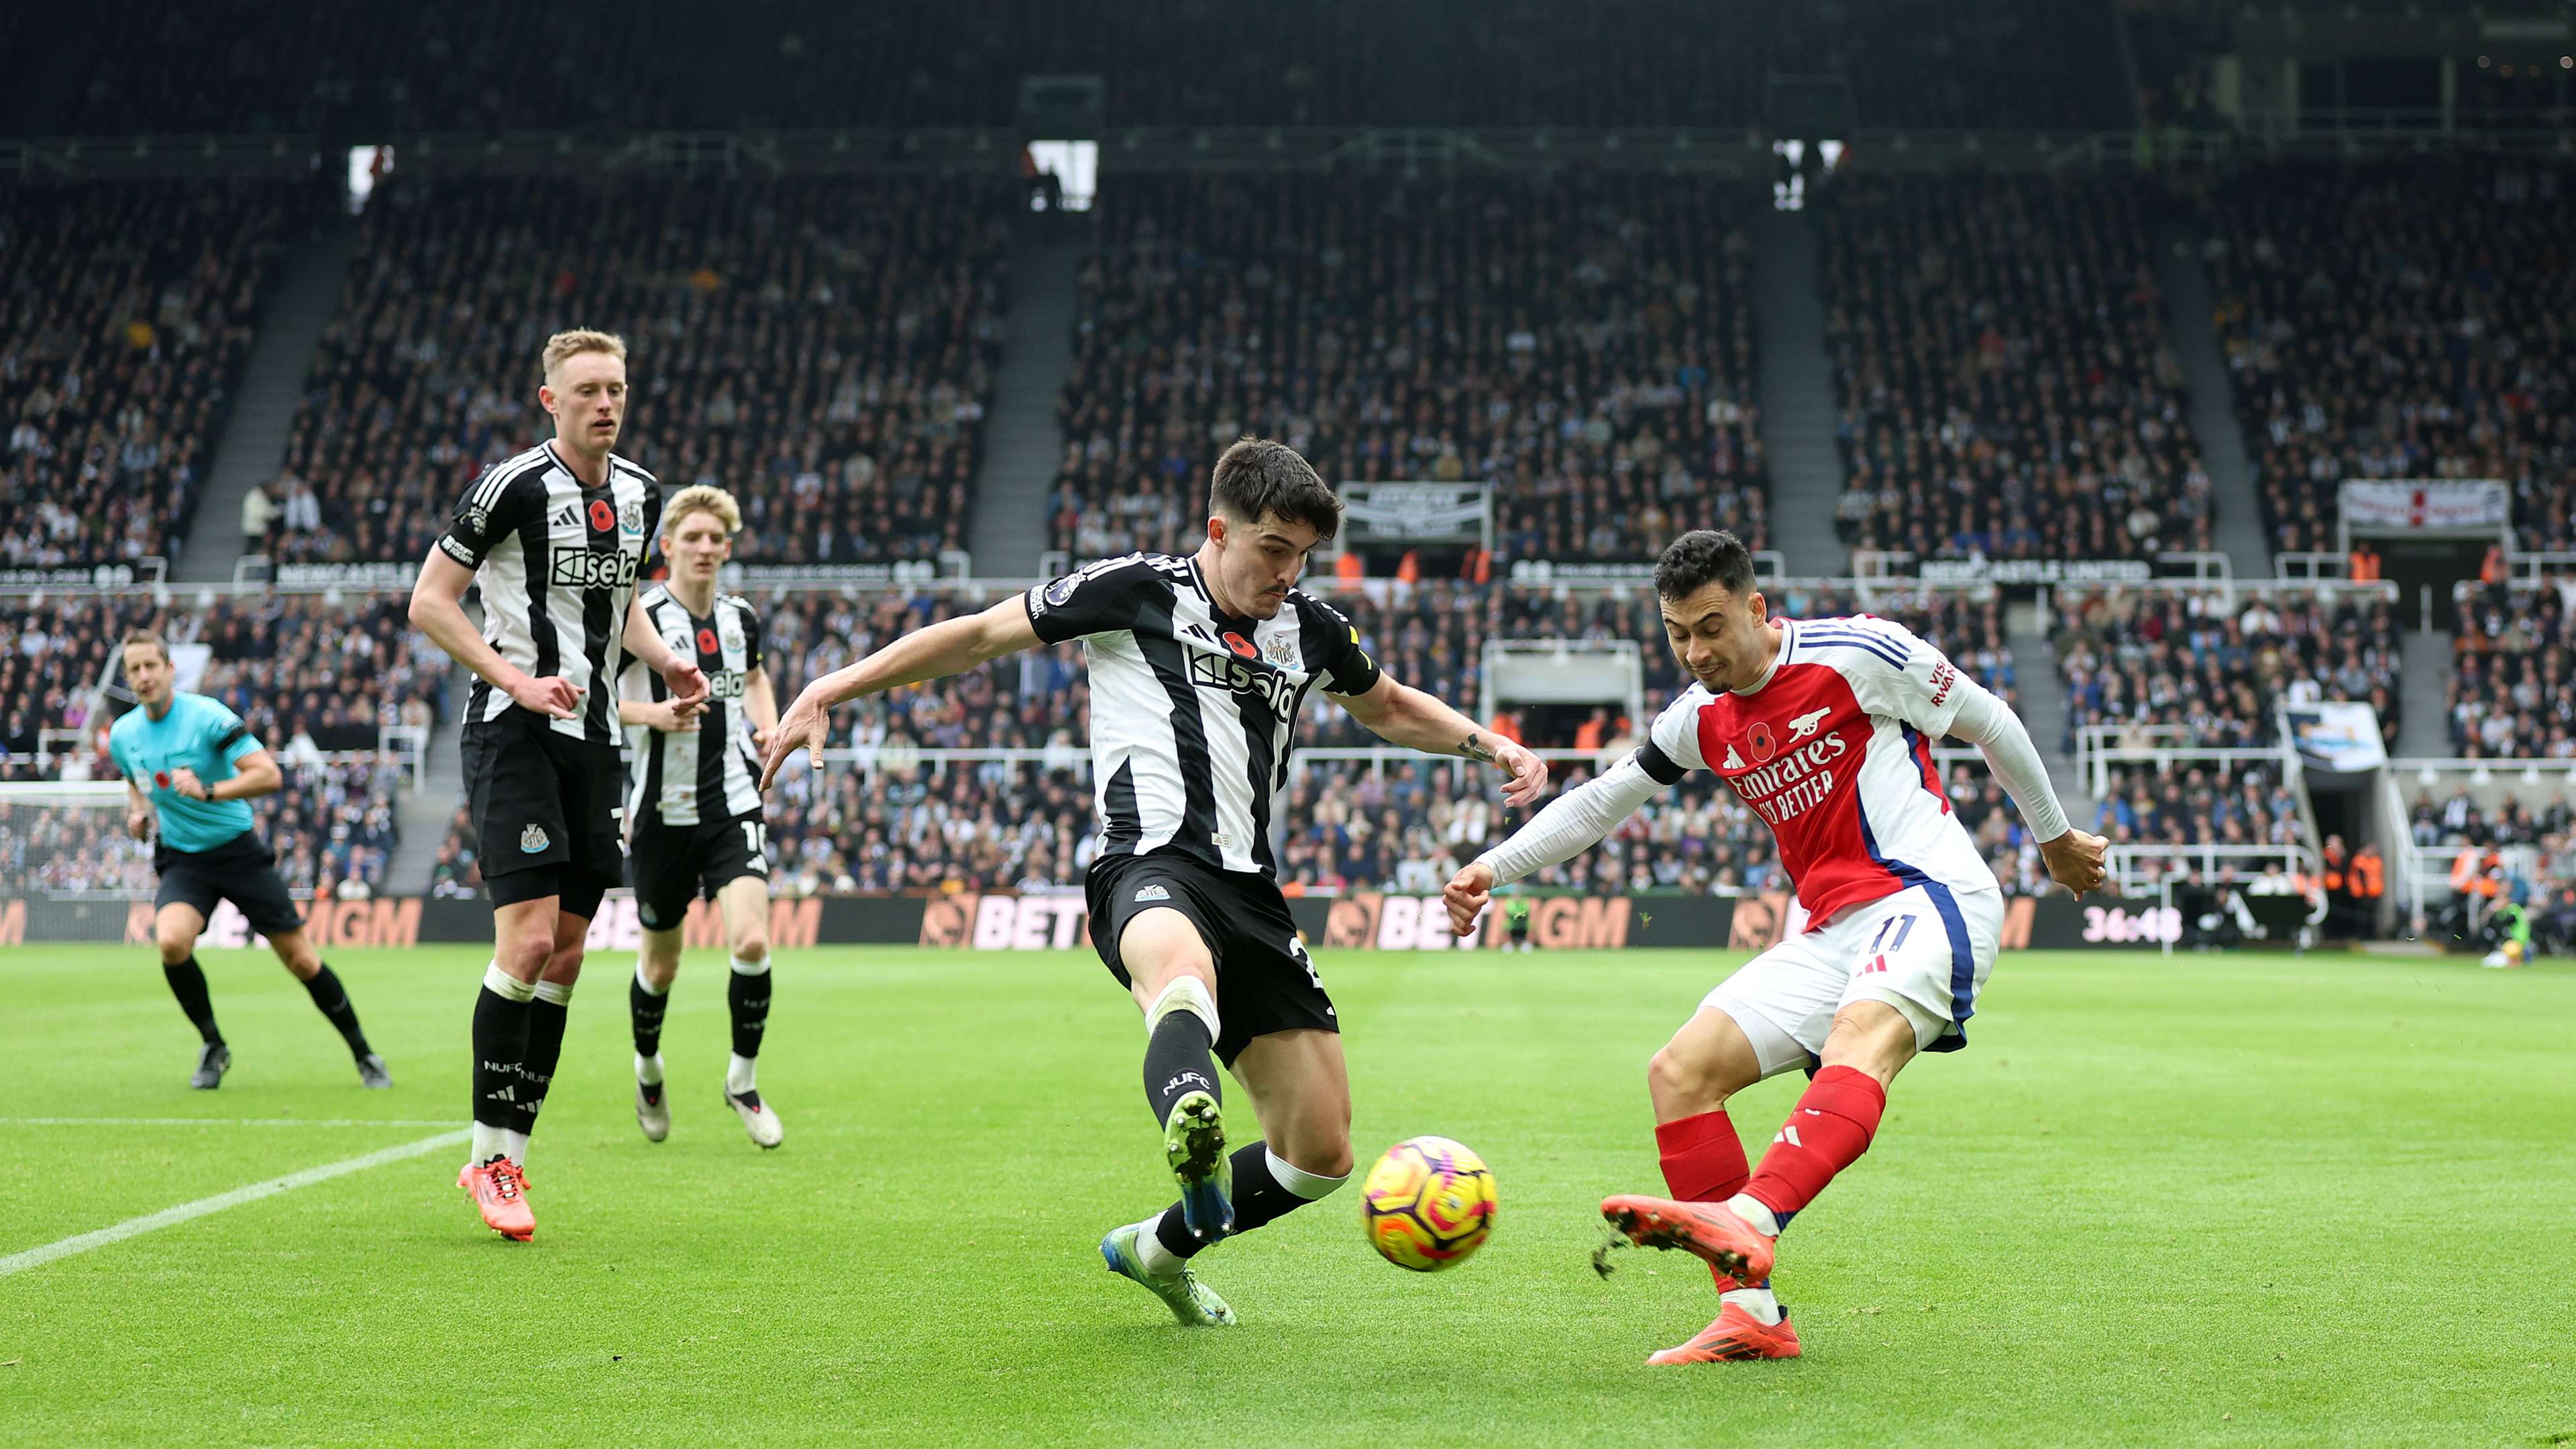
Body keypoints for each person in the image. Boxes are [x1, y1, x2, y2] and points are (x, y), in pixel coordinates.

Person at [763, 437, 1547, 1326]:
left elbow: (1390, 705)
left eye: (1303, 557)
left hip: (1253, 892)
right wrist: (834, 685)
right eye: (1274, 551)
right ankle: (1195, 1131)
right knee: (1181, 981)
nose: (1289, 573)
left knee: (1319, 1154)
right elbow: (980, 635)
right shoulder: (1135, 591)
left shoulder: (1313, 631)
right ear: (1219, 530)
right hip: (1147, 862)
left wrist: (1493, 744)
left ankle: (1157, 1250)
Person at [1443, 530, 2106, 1364]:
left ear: (1757, 608)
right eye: (1679, 632)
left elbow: (1991, 720)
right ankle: (1751, 1313)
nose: (1695, 650)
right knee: (1680, 1073)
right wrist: (1490, 867)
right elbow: (1604, 802)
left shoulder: (1861, 652)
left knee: (1856, 1039)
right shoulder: (1698, 717)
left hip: (1927, 895)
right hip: (1832, 929)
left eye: (1712, 626)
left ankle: (1750, 1220)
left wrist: (2052, 838)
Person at [407, 329, 707, 1242]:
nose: (606, 403)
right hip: (515, 732)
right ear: (551, 401)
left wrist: (668, 665)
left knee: (570, 956)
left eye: (616, 388)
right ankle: (489, 1158)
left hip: (597, 741)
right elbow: (428, 601)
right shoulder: (512, 487)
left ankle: (511, 1156)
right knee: (531, 940)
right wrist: (514, 679)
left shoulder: (642, 493)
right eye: (587, 391)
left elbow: (616, 617)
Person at [107, 630, 388, 1091]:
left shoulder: (208, 717)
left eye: (150, 666)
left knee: (301, 960)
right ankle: (214, 1045)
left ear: (170, 669)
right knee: (172, 943)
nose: (143, 677)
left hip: (238, 852)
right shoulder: (124, 734)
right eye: (134, 669)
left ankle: (364, 1054)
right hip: (183, 859)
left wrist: (210, 791)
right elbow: (134, 780)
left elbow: (268, 774)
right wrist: (137, 813)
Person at [616, 484, 786, 1149]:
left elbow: (757, 680)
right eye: (694, 537)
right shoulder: (640, 617)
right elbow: (590, 698)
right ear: (668, 547)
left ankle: (741, 1081)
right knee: (661, 966)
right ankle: (648, 1069)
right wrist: (652, 715)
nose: (707, 548)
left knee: (749, 941)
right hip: (660, 813)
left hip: (732, 800)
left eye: (717, 538)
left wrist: (769, 728)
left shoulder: (741, 618)